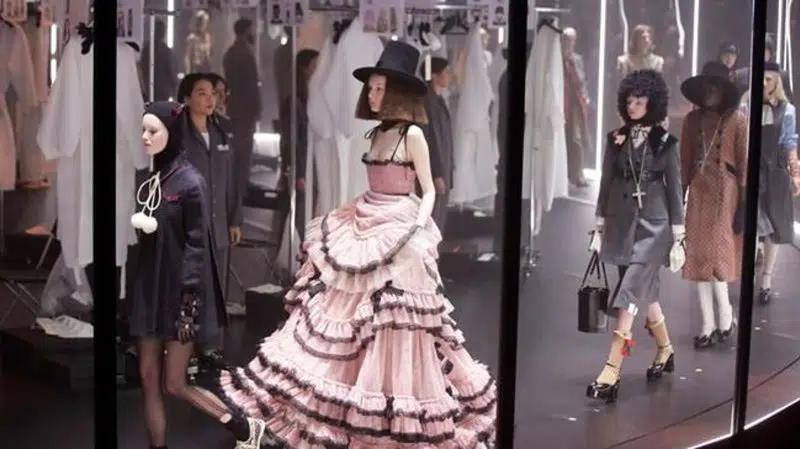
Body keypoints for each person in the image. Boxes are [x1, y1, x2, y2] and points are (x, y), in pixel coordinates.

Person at [212, 41, 497, 447]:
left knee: (395, 320)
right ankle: (343, 403)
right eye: (372, 88)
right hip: (365, 217)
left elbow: (429, 188)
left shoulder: (413, 134)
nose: (373, 95)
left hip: (399, 226)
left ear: (397, 92)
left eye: (380, 88)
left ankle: (394, 407)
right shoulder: (377, 132)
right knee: (344, 315)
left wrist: (417, 226)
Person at [128, 101, 264, 449]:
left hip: (179, 294)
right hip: (149, 289)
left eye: (152, 131)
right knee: (148, 379)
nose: (145, 137)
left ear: (171, 133)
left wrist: (188, 303)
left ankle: (241, 425)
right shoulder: (150, 180)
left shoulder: (191, 182)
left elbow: (197, 246)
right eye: (143, 130)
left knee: (174, 383)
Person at [587, 69, 685, 403]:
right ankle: (665, 350)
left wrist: (679, 236)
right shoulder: (615, 138)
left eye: (640, 100)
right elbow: (605, 183)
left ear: (652, 102)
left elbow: (674, 191)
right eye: (629, 100)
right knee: (647, 293)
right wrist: (599, 225)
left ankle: (611, 369)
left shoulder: (666, 144)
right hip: (621, 226)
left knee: (627, 293)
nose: (633, 105)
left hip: (655, 228)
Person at [679, 61, 748, 349]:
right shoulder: (691, 120)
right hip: (699, 190)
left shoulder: (737, 120)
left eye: (715, 87)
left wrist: (743, 203)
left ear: (724, 91)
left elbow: (744, 162)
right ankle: (707, 325)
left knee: (719, 257)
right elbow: (684, 160)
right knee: (698, 257)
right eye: (706, 87)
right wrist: (680, 194)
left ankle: (726, 318)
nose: (710, 92)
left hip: (726, 191)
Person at [176, 73, 242, 363]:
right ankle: (183, 347)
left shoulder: (222, 133)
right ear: (187, 98)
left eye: (212, 93)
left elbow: (232, 180)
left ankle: (210, 344)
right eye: (201, 93)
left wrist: (235, 219)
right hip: (189, 224)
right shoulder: (178, 136)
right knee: (188, 286)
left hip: (219, 222)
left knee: (216, 288)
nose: (209, 99)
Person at [740, 61, 800, 305]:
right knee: (754, 223)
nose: (765, 83)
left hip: (776, 173)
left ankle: (766, 279)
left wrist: (796, 174)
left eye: (769, 79)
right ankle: (753, 267)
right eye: (762, 79)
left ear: (777, 82)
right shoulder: (746, 106)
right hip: (752, 172)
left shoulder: (787, 110)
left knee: (774, 227)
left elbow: (790, 143)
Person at [278, 49, 319, 240]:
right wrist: (299, 173)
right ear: (305, 69)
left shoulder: (313, 99)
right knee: (300, 215)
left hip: (311, 167)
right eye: (315, 64)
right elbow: (293, 141)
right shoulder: (294, 102)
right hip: (301, 168)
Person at [223, 18, 262, 211]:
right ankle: (240, 190)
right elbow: (251, 85)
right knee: (243, 151)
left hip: (235, 107)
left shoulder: (231, 52)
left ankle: (238, 187)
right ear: (247, 30)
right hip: (245, 108)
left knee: (238, 149)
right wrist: (257, 108)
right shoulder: (245, 53)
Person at [419, 56, 453, 232]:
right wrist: (437, 172)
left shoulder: (438, 101)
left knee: (438, 220)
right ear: (434, 75)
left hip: (443, 167)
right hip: (434, 171)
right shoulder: (427, 102)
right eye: (446, 72)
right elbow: (429, 139)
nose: (449, 76)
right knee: (431, 219)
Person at [562, 27, 592, 188]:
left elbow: (582, 81)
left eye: (571, 40)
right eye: (565, 39)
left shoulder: (577, 59)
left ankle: (577, 174)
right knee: (561, 139)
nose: (568, 43)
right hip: (560, 103)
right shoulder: (555, 59)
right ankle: (563, 175)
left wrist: (585, 96)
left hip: (575, 104)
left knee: (576, 139)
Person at [140, 19, 177, 102]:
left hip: (153, 89)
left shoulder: (147, 49)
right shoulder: (165, 50)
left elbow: (142, 68)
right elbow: (171, 71)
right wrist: (174, 87)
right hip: (159, 89)